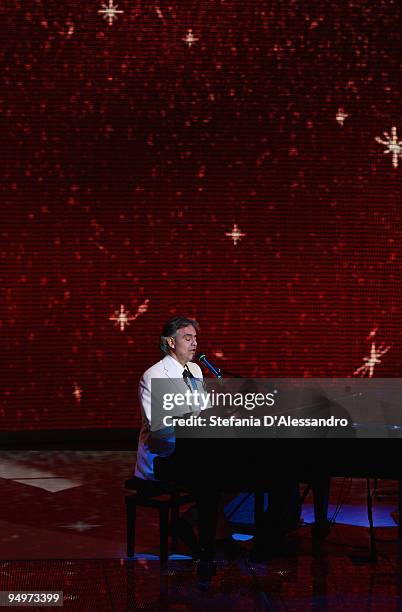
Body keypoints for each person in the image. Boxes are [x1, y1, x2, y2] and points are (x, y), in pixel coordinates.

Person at [134, 315, 202, 485]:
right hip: (161, 460)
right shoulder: (153, 375)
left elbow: (202, 411)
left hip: (191, 453)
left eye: (195, 338)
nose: (194, 343)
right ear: (171, 342)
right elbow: (160, 429)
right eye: (188, 338)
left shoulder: (195, 370)